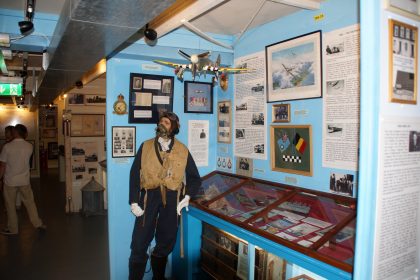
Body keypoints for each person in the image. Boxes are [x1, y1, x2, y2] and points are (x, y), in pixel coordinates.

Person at [128, 112, 201, 280]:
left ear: (174, 128)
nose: (162, 125)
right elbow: (134, 174)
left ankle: (158, 278)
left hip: (172, 198)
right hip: (148, 197)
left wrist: (187, 196)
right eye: (161, 122)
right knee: (139, 242)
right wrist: (133, 201)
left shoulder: (182, 150)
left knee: (167, 240)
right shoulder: (146, 146)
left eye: (167, 123)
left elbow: (194, 178)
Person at [0, 124, 46, 235]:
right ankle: (38, 224)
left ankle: (13, 229)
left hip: (10, 181)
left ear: (15, 133)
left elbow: (2, 166)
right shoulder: (29, 146)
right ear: (24, 133)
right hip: (24, 181)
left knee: (10, 206)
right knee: (30, 203)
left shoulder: (7, 147)